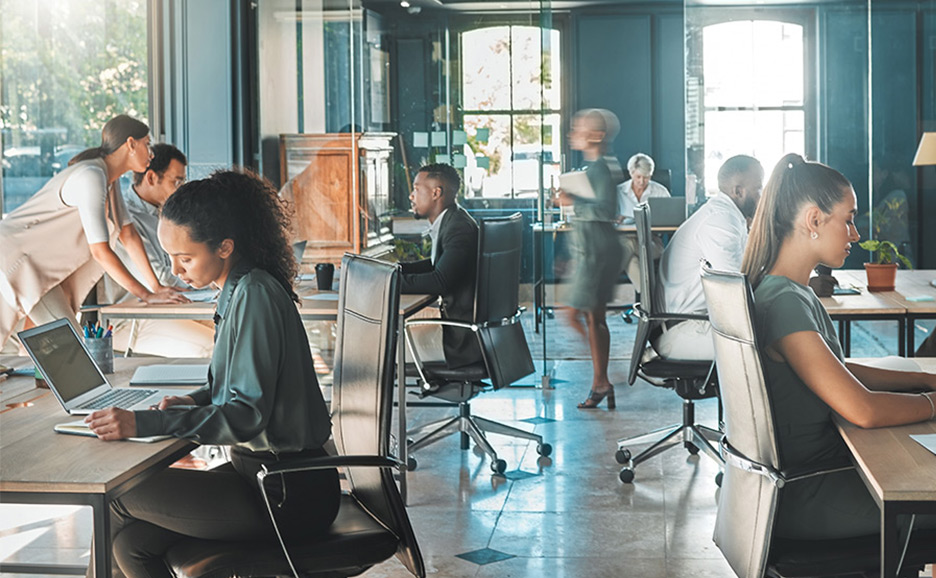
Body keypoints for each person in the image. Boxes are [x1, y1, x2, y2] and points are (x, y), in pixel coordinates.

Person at [83, 169, 340, 576]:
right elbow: (236, 382)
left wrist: (145, 422)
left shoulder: (253, 294)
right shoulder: (239, 287)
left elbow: (246, 414)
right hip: (260, 476)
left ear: (224, 246)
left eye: (185, 258)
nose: (175, 271)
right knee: (132, 546)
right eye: (170, 257)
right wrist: (195, 399)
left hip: (285, 491)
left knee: (113, 497)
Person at [741, 153, 936, 540]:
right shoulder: (784, 301)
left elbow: (838, 369)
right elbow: (861, 409)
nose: (856, 234)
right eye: (848, 220)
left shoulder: (789, 290)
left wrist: (927, 379)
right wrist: (932, 404)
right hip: (812, 494)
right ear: (814, 220)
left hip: (817, 478)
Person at [0, 115, 184, 350]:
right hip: (18, 262)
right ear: (130, 144)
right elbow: (100, 251)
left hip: (38, 269)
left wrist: (155, 287)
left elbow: (128, 234)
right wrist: (145, 295)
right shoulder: (91, 176)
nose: (151, 153)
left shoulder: (109, 179)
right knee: (70, 349)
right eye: (147, 144)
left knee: (48, 349)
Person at [105, 143, 215, 357]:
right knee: (211, 348)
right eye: (176, 181)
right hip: (137, 317)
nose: (180, 188)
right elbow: (160, 280)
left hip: (173, 306)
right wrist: (207, 280)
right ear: (151, 178)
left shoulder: (164, 215)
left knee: (236, 332)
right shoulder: (127, 220)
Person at [653, 155, 763, 361]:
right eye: (758, 188)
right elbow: (737, 287)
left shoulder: (730, 216)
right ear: (738, 191)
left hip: (695, 322)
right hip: (681, 330)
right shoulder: (720, 220)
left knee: (779, 336)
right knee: (773, 344)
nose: (763, 196)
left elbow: (751, 268)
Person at [554, 109, 624, 409]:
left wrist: (572, 200)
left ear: (596, 135)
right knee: (593, 317)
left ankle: (605, 378)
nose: (573, 133)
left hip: (597, 252)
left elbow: (606, 211)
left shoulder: (601, 169)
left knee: (573, 314)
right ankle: (601, 381)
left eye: (578, 128)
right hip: (592, 251)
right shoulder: (596, 167)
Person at [400, 163, 482, 369]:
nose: (411, 196)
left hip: (459, 342)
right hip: (460, 334)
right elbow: (439, 265)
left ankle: (378, 401)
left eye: (417, 189)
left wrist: (387, 281)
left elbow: (440, 281)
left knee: (382, 344)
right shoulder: (454, 220)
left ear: (436, 193)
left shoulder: (459, 228)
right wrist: (397, 270)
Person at [617, 152, 670, 286]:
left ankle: (607, 277)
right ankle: (648, 303)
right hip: (624, 238)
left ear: (651, 175)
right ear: (631, 173)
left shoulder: (660, 191)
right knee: (632, 261)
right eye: (638, 177)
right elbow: (610, 221)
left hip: (652, 242)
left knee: (627, 246)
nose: (641, 181)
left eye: (646, 177)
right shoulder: (618, 192)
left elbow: (670, 220)